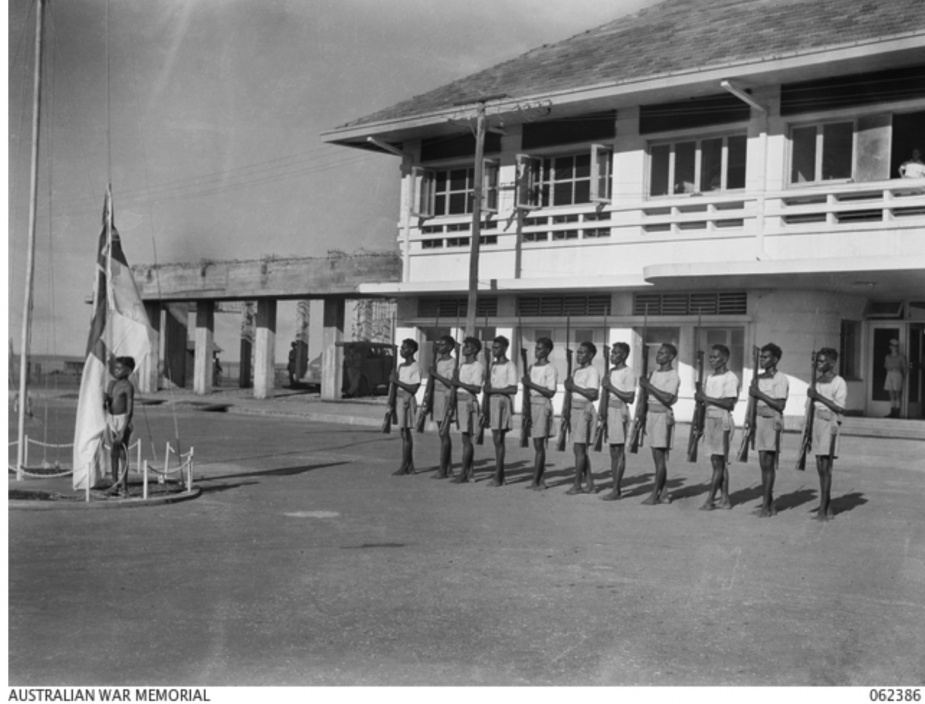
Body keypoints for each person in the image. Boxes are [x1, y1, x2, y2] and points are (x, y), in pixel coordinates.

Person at [697, 344, 740, 511]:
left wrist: (706, 398)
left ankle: (710, 499)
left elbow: (729, 403)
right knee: (717, 463)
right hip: (709, 419)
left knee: (719, 462)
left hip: (722, 420)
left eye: (715, 357)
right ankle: (725, 499)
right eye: (710, 357)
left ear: (725, 359)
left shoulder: (730, 378)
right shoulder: (709, 377)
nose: (712, 360)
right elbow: (704, 403)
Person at [748, 343, 789, 517]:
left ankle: (766, 505)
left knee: (769, 464)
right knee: (762, 462)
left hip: (772, 420)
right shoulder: (758, 377)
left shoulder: (780, 378)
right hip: (759, 420)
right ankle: (768, 502)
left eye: (765, 357)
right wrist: (750, 421)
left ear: (775, 359)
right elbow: (753, 402)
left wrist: (760, 394)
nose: (762, 360)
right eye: (760, 357)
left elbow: (780, 405)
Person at [806, 347, 847, 522]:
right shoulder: (816, 381)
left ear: (831, 363)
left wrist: (818, 397)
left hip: (830, 423)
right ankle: (826, 505)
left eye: (822, 361)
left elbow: (840, 408)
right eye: (817, 361)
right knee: (819, 467)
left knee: (826, 467)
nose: (818, 364)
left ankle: (823, 508)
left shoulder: (839, 382)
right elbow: (809, 406)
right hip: (816, 423)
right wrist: (807, 431)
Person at [640, 343, 680, 505]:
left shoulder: (673, 375)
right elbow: (645, 398)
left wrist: (649, 385)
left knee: (660, 456)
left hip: (663, 415)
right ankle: (664, 493)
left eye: (663, 353)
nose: (659, 356)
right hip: (651, 414)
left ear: (671, 357)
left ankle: (655, 494)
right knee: (656, 457)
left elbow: (668, 398)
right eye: (658, 353)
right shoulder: (653, 373)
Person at [601, 342, 635, 501]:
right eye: (612, 352)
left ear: (624, 355)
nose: (612, 356)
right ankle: (615, 486)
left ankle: (617, 489)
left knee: (619, 451)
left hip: (619, 410)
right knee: (612, 452)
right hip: (609, 411)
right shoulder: (611, 371)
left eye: (615, 353)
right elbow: (605, 393)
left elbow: (630, 397)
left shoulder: (628, 372)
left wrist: (611, 387)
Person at [565, 341, 600, 495]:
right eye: (578, 352)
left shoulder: (592, 371)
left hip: (585, 410)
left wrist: (575, 387)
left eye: (582, 353)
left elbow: (593, 394)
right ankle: (590, 483)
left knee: (579, 448)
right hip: (574, 409)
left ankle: (577, 484)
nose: (578, 355)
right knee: (578, 449)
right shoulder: (576, 371)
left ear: (590, 355)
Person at [483, 336, 518, 487]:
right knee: (495, 439)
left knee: (499, 439)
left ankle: (499, 475)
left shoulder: (510, 365)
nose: (494, 350)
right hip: (491, 401)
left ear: (504, 348)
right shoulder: (492, 365)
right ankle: (500, 475)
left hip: (502, 402)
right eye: (493, 348)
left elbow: (513, 388)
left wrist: (493, 390)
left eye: (497, 348)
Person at [522, 337, 557, 490]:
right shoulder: (531, 367)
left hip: (542, 404)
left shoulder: (550, 368)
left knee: (539, 445)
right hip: (531, 405)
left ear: (547, 351)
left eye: (540, 349)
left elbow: (550, 392)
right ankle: (540, 479)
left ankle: (536, 480)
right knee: (535, 444)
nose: (536, 351)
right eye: (536, 348)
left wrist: (531, 384)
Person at [450, 336, 485, 484]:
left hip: (469, 402)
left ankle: (464, 472)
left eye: (468, 346)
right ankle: (470, 472)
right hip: (459, 401)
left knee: (467, 439)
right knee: (464, 439)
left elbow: (476, 388)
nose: (464, 348)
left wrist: (459, 383)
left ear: (475, 349)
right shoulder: (462, 365)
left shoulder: (478, 366)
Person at [104, 356, 135, 497]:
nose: (115, 371)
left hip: (123, 420)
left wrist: (123, 431)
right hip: (111, 419)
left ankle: (124, 486)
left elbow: (129, 410)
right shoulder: (111, 384)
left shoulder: (128, 387)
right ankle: (114, 484)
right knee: (113, 453)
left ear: (127, 371)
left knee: (123, 454)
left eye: (118, 368)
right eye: (114, 368)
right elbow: (108, 404)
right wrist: (105, 400)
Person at [389, 339, 422, 476]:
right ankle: (410, 465)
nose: (402, 351)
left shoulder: (415, 366)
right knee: (403, 434)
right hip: (399, 399)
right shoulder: (401, 366)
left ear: (412, 351)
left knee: (406, 433)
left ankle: (405, 465)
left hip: (407, 400)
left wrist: (396, 381)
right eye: (401, 348)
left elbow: (414, 388)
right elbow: (394, 385)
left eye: (405, 349)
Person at [430, 335, 457, 479]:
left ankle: (443, 468)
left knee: (444, 433)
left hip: (446, 396)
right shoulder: (438, 361)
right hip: (437, 396)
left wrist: (435, 375)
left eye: (442, 345)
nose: (439, 347)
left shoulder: (453, 363)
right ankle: (449, 467)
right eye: (438, 344)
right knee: (442, 434)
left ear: (450, 347)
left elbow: (451, 383)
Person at [884, 339, 907, 418]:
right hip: (889, 373)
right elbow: (886, 366)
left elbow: (904, 368)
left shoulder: (901, 357)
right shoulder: (887, 357)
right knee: (891, 394)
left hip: (897, 373)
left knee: (897, 394)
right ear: (890, 347)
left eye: (896, 346)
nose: (895, 348)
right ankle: (892, 412)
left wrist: (903, 376)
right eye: (893, 346)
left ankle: (897, 413)